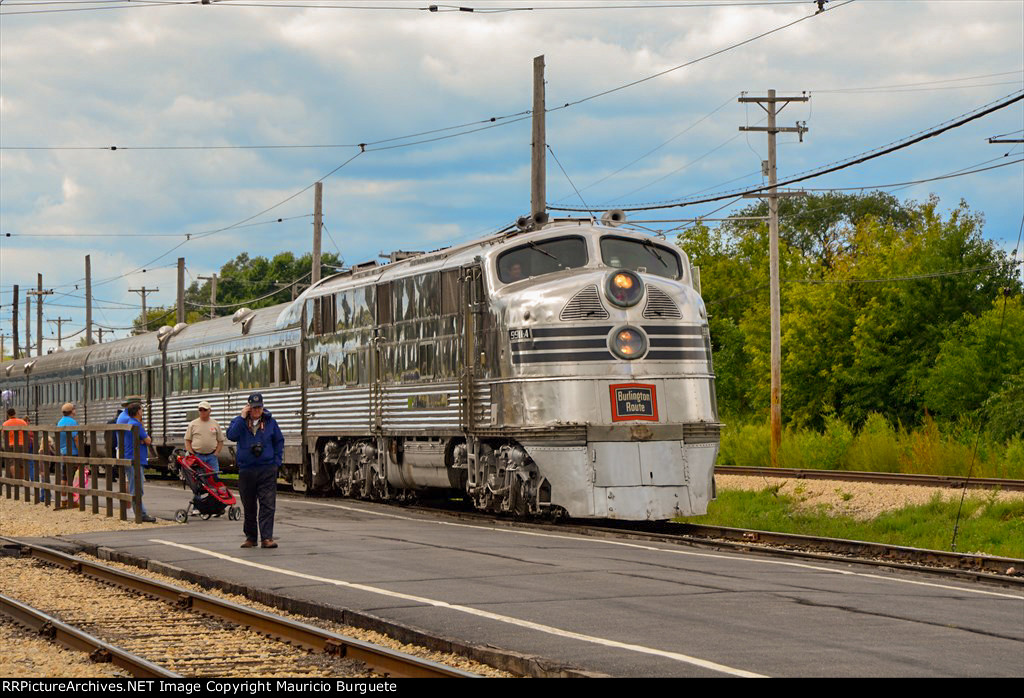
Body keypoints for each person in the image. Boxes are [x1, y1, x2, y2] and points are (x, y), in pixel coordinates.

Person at [227, 393, 284, 549]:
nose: (257, 410)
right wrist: (241, 417)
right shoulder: (240, 422)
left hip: (266, 468)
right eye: (253, 407)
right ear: (248, 407)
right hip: (247, 469)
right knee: (249, 505)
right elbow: (231, 435)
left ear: (263, 407)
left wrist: (276, 462)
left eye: (259, 407)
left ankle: (267, 538)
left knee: (267, 504)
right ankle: (251, 538)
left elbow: (279, 441)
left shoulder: (271, 422)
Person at [119, 402, 156, 523]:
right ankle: (141, 514)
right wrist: (144, 439)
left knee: (135, 486)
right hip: (136, 458)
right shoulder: (136, 424)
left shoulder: (129, 423)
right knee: (137, 487)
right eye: (141, 410)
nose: (143, 412)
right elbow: (148, 440)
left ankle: (140, 512)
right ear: (138, 412)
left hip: (130, 457)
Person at [185, 400, 224, 474]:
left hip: (212, 457)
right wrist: (192, 454)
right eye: (200, 410)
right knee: (199, 478)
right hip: (198, 456)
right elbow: (187, 441)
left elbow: (220, 440)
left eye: (205, 410)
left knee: (214, 477)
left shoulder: (215, 424)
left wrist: (216, 453)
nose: (202, 412)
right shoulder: (193, 424)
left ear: (210, 411)